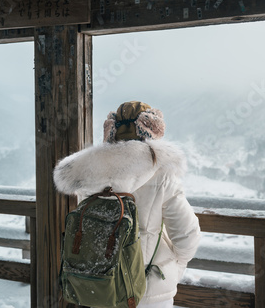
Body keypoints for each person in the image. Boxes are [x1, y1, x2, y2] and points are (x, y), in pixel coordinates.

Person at [53, 101, 201, 308]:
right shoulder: (163, 173)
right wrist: (175, 267)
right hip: (150, 288)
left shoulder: (89, 174)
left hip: (102, 285)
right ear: (151, 131)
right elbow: (187, 235)